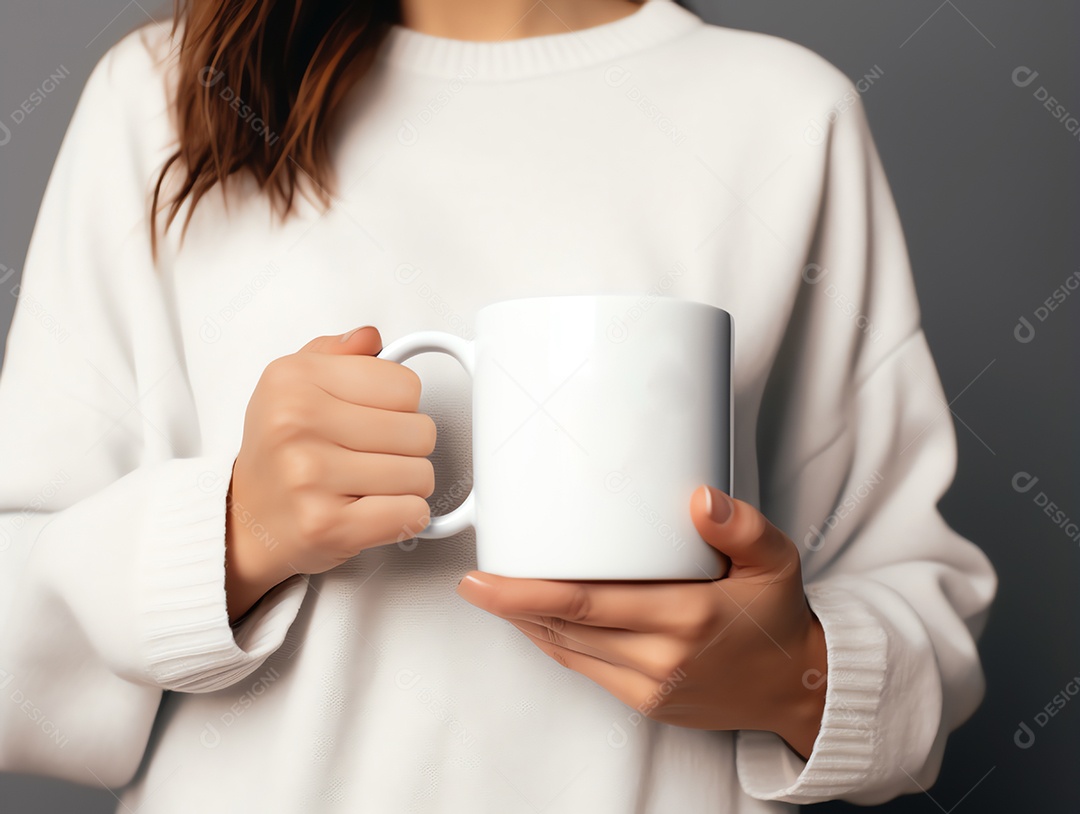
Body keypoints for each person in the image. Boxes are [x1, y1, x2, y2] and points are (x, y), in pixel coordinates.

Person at [0, 0, 996, 810]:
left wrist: (795, 677)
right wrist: (230, 535)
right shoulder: (166, 96)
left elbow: (916, 594)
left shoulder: (787, 113)